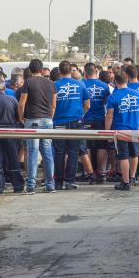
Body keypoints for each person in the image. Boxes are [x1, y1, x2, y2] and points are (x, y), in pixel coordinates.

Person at [19, 59, 57, 194]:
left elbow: (22, 103)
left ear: (30, 69)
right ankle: (50, 184)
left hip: (32, 120)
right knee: (47, 152)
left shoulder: (28, 82)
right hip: (47, 120)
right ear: (41, 70)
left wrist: (21, 117)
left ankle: (30, 185)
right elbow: (53, 104)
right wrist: (49, 117)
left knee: (32, 152)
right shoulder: (51, 83)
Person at [53, 60, 90, 190]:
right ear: (71, 71)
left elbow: (51, 105)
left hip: (58, 123)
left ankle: (58, 181)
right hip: (76, 122)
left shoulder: (54, 85)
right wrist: (81, 114)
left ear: (59, 71)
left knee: (59, 153)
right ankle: (69, 181)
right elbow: (87, 105)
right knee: (73, 152)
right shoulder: (80, 85)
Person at [0, 77, 25, 194]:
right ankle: (17, 186)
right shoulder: (12, 100)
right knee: (13, 159)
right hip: (10, 132)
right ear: (4, 88)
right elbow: (19, 118)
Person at [105, 70, 139, 191]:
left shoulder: (113, 97)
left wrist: (107, 131)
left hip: (121, 130)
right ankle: (132, 177)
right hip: (135, 129)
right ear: (127, 80)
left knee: (123, 156)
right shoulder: (137, 94)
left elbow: (109, 115)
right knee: (134, 154)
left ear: (115, 81)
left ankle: (125, 182)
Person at [83, 64, 111, 183]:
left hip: (86, 119)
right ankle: (102, 172)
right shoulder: (105, 86)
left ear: (85, 73)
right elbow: (107, 105)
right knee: (101, 146)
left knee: (87, 147)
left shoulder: (82, 84)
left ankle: (89, 172)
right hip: (100, 119)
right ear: (96, 72)